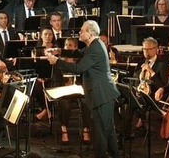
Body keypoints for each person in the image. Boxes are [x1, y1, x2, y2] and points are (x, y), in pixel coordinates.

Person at [46, 20, 120, 158]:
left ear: (90, 33)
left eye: (82, 30)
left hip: (102, 95)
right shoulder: (94, 45)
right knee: (107, 131)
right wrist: (59, 51)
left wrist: (57, 61)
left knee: (100, 133)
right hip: (102, 94)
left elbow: (78, 68)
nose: (79, 32)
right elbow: (78, 53)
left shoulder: (95, 48)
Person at [53, 37, 91, 144]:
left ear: (75, 48)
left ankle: (86, 129)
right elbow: (56, 82)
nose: (67, 47)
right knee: (64, 104)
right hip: (64, 92)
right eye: (66, 45)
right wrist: (65, 85)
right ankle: (64, 129)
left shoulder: (81, 63)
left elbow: (85, 80)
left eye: (70, 45)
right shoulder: (59, 63)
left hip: (78, 91)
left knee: (86, 102)